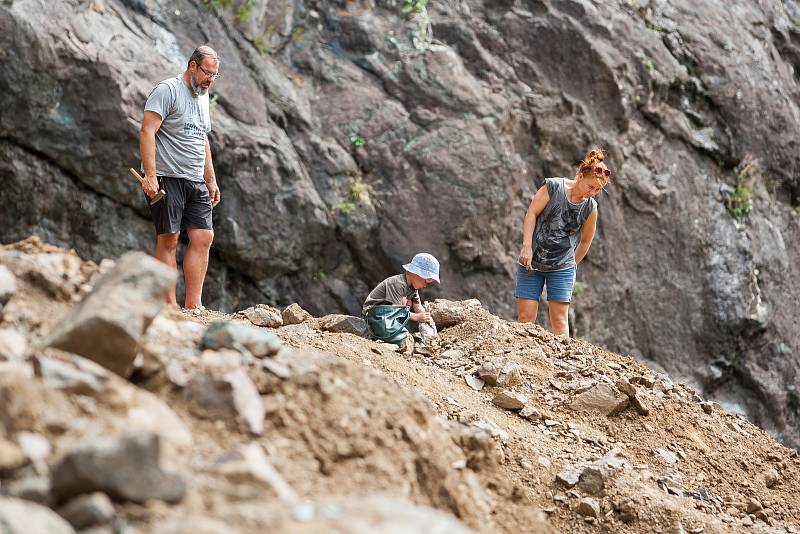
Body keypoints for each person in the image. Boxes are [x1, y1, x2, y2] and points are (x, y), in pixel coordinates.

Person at [139, 45, 222, 310]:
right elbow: (147, 131)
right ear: (192, 66)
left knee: (203, 237)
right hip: (167, 176)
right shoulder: (167, 90)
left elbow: (203, 139)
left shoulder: (203, 96)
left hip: (195, 179)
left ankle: (194, 306)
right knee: (169, 238)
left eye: (215, 75)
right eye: (207, 73)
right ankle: (169, 305)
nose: (210, 79)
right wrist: (150, 175)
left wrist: (211, 180)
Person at [515, 148, 610, 336]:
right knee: (525, 320)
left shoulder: (590, 208)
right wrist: (526, 247)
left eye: (598, 190)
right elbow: (531, 213)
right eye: (591, 187)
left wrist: (571, 265)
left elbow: (585, 241)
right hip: (531, 261)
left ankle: (562, 364)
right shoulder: (553, 187)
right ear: (580, 176)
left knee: (559, 323)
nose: (593, 193)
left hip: (562, 267)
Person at [363, 253, 440, 346]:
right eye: (425, 281)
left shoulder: (413, 288)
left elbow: (418, 306)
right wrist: (417, 317)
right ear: (415, 274)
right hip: (376, 314)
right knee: (399, 334)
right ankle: (387, 336)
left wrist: (426, 318)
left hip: (389, 314)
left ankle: (403, 337)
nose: (425, 285)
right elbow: (397, 310)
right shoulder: (398, 284)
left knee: (405, 310)